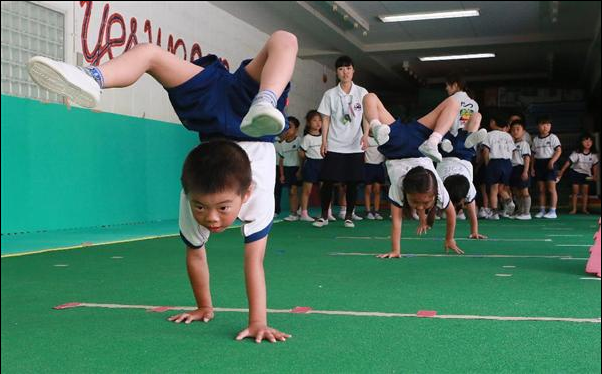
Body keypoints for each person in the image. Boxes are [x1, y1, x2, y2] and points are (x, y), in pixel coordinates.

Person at [27, 30, 298, 343]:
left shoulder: (251, 194)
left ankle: (266, 100)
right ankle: (92, 76)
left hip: (220, 115)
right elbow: (197, 254)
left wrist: (258, 322)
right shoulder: (196, 194)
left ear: (244, 195)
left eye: (222, 208)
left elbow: (250, 262)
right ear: (190, 196)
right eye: (202, 207)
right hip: (249, 120)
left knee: (284, 38)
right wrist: (203, 307)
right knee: (149, 52)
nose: (211, 218)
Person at [362, 92, 473, 257]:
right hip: (419, 145)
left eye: (422, 203)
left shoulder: (409, 188)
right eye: (417, 203)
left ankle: (379, 127)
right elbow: (449, 213)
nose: (420, 207)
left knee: (369, 97)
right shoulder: (426, 186)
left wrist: (450, 238)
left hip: (397, 145)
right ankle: (432, 140)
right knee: (454, 102)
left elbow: (400, 219)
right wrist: (396, 250)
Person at [313, 56, 369, 229]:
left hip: (354, 145)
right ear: (336, 72)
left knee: (352, 182)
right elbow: (326, 119)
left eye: (348, 68)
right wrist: (324, 142)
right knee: (328, 181)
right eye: (341, 69)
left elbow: (366, 116)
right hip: (335, 143)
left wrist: (366, 135)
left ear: (353, 71)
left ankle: (349, 216)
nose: (345, 72)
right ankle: (324, 216)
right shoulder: (330, 94)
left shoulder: (362, 93)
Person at [437, 112, 487, 239]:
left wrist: (474, 231)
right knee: (475, 116)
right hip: (447, 154)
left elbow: (471, 212)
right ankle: (463, 137)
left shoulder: (467, 189)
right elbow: (471, 213)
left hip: (463, 155)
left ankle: (466, 137)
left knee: (477, 116)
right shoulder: (443, 190)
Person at [482, 116, 515, 220]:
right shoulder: (508, 136)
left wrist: (488, 164)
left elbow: (486, 151)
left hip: (495, 162)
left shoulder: (489, 135)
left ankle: (494, 213)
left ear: (493, 122)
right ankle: (509, 201)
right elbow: (513, 151)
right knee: (501, 188)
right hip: (507, 163)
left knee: (493, 189)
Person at [557, 133, 599, 214]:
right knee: (575, 192)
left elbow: (595, 166)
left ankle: (584, 209)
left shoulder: (594, 155)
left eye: (590, 140)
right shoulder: (577, 153)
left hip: (586, 174)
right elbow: (568, 162)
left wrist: (595, 175)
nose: (588, 142)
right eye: (585, 140)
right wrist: (561, 171)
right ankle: (574, 209)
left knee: (585, 192)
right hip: (575, 172)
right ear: (581, 142)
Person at [531, 116, 562, 219]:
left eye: (548, 125)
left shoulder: (553, 137)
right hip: (539, 164)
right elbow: (533, 155)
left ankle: (553, 211)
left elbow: (558, 150)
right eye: (543, 124)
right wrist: (532, 168)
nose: (545, 127)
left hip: (550, 163)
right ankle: (542, 210)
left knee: (551, 188)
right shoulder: (535, 139)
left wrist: (552, 161)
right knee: (541, 189)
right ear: (538, 126)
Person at [298, 110, 323, 222]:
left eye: (319, 120)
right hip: (311, 164)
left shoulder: (325, 136)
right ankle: (304, 213)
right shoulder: (307, 138)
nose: (318, 123)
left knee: (325, 189)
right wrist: (308, 159)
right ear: (308, 123)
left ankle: (327, 213)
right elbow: (301, 153)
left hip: (323, 164)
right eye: (314, 120)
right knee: (307, 190)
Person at [277, 116, 302, 221]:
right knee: (291, 192)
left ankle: (294, 213)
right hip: (286, 170)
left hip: (296, 169)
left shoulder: (299, 141)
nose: (288, 130)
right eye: (286, 127)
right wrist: (282, 174)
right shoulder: (281, 144)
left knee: (294, 191)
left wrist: (300, 170)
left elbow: (302, 158)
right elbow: (281, 160)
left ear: (296, 129)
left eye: (290, 127)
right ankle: (296, 210)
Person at [509, 120, 533, 220]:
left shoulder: (524, 144)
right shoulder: (510, 144)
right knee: (516, 191)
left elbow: (527, 158)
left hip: (521, 168)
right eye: (513, 130)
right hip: (512, 169)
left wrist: (525, 171)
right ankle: (520, 211)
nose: (515, 131)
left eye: (518, 129)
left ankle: (527, 213)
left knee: (524, 191)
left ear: (523, 132)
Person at [363, 136, 386, 220]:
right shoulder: (365, 138)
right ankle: (368, 211)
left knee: (377, 190)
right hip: (368, 166)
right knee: (368, 189)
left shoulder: (381, 138)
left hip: (379, 166)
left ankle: (376, 211)